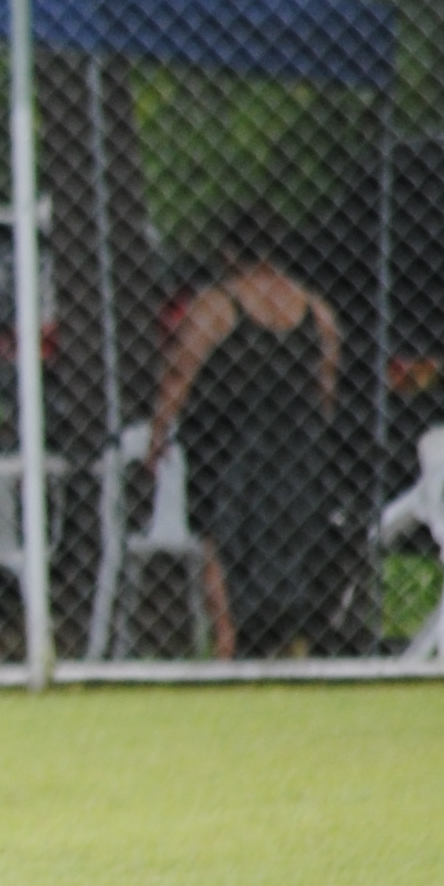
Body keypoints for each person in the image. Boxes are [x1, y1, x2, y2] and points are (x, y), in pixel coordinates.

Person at [150, 208, 344, 661]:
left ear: (230, 252)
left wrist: (159, 433)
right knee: (294, 530)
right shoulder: (315, 309)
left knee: (218, 535)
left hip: (228, 441)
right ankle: (290, 637)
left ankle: (227, 640)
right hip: (297, 442)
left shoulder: (218, 304)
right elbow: (326, 382)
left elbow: (180, 372)